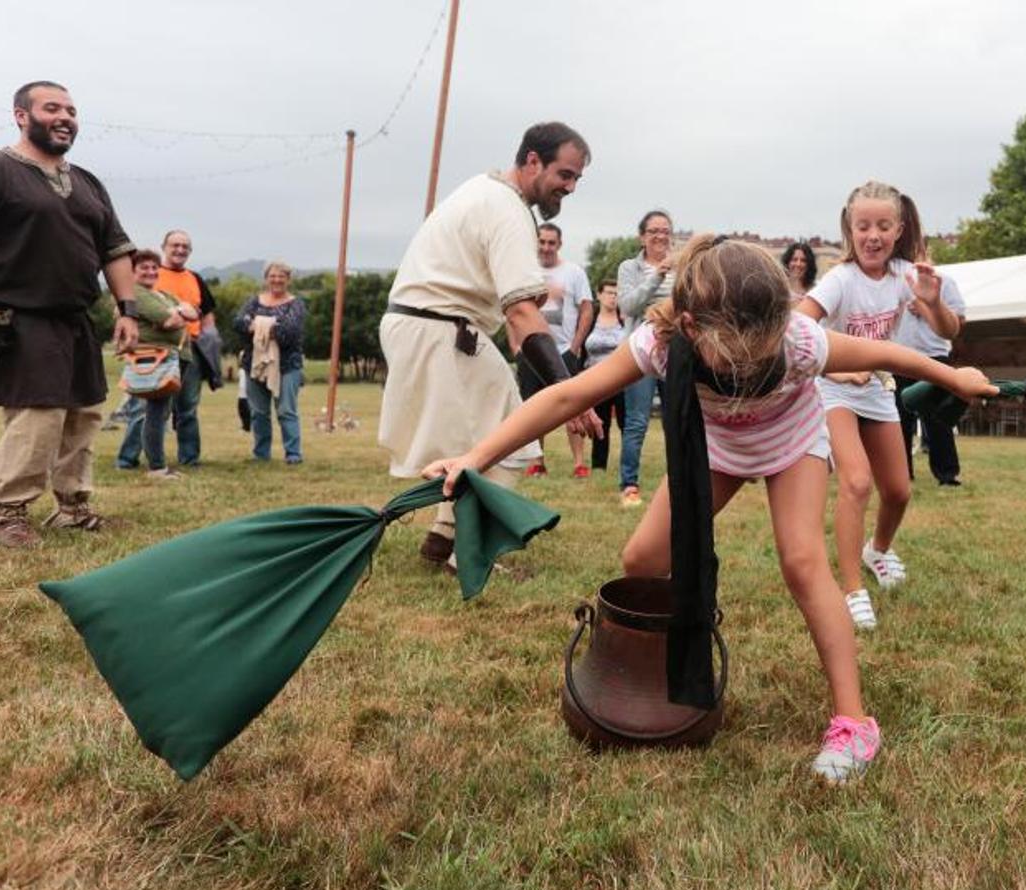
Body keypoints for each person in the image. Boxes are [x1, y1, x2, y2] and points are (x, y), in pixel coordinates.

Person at [420, 235, 997, 782]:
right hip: (716, 447)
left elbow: (893, 354)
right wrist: (475, 455)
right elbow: (569, 394)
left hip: (792, 442)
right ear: (692, 326)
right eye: (738, 356)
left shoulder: (798, 340)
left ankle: (854, 723)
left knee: (802, 562)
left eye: (763, 349)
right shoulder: (660, 344)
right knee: (642, 557)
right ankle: (655, 669)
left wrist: (954, 375)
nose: (750, 365)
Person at [377, 121, 601, 572]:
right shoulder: (506, 208)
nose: (571, 186)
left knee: (474, 441)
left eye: (577, 178)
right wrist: (570, 394)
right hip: (440, 328)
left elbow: (517, 318)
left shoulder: (484, 191)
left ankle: (443, 536)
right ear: (533, 160)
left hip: (431, 325)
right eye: (565, 174)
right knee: (513, 442)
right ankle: (470, 553)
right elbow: (522, 312)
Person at [797, 181, 955, 628]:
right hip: (833, 389)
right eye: (863, 225)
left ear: (898, 229)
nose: (873, 235)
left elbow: (948, 330)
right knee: (857, 482)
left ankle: (877, 551)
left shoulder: (906, 275)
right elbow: (799, 325)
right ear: (850, 227)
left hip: (876, 388)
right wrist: (834, 368)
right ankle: (851, 587)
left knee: (900, 490)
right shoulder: (840, 280)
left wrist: (932, 302)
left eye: (883, 226)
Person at [0, 80, 139, 549]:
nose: (65, 117)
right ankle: (5, 511)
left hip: (78, 317)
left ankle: (72, 508)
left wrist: (127, 309)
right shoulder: (0, 171)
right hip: (20, 315)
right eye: (51, 107)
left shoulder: (87, 182)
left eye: (71, 110)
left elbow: (115, 250)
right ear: (21, 115)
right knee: (39, 413)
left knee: (83, 411)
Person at [116, 228, 219, 469]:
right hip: (152, 354)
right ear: (165, 247)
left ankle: (189, 458)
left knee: (187, 409)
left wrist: (183, 315)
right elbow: (168, 319)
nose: (180, 250)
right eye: (175, 245)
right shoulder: (148, 278)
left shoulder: (194, 279)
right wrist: (180, 313)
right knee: (144, 411)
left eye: (185, 246)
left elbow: (201, 313)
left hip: (187, 349)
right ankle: (129, 458)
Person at [889, 195, 967, 486]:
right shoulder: (894, 279)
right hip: (898, 357)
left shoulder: (943, 281)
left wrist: (924, 305)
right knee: (898, 419)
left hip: (933, 356)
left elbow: (957, 323)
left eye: (922, 250)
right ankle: (901, 474)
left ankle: (947, 474)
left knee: (937, 420)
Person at [518, 222, 595, 478]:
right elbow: (512, 307)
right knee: (533, 408)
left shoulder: (573, 272)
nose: (546, 247)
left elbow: (586, 308)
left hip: (564, 350)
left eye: (551, 242)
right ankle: (537, 462)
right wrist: (515, 345)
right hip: (530, 349)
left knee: (572, 406)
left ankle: (579, 464)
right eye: (542, 242)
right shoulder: (525, 272)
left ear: (559, 244)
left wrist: (575, 346)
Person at [616, 210, 676, 507]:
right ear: (642, 236)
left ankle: (679, 483)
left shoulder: (683, 265)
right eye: (653, 230)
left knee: (677, 420)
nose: (660, 236)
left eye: (665, 230)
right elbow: (628, 305)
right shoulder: (630, 267)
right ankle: (629, 485)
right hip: (641, 350)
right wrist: (658, 276)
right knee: (637, 420)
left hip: (676, 349)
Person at [125, 249, 198, 479]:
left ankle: (158, 464)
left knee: (161, 412)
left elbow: (194, 313)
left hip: (174, 358)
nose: (151, 271)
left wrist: (180, 311)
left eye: (154, 267)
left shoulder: (162, 294)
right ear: (132, 272)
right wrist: (178, 312)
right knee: (156, 413)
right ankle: (156, 467)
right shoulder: (137, 294)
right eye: (144, 267)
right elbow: (169, 321)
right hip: (157, 359)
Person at [233, 261, 307, 464]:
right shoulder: (254, 301)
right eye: (272, 276)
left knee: (286, 410)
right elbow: (238, 323)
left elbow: (290, 332)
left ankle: (293, 454)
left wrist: (258, 325)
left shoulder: (296, 304)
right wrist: (270, 325)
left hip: (287, 365)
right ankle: (261, 454)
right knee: (258, 412)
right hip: (254, 364)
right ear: (266, 279)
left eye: (281, 276)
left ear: (288, 279)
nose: (276, 280)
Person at [584, 279, 625, 471]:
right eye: (609, 292)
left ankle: (627, 467)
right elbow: (582, 350)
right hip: (597, 380)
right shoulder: (590, 321)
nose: (613, 297)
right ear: (599, 295)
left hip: (623, 380)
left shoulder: (625, 321)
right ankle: (598, 466)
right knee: (601, 424)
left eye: (616, 294)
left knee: (627, 425)